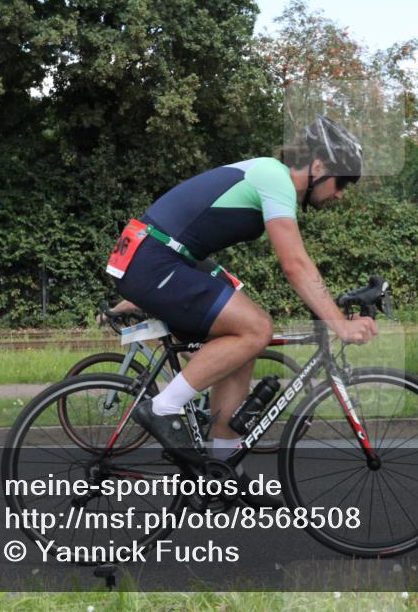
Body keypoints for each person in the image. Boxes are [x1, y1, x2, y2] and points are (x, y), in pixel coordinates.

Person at [107, 116, 378, 466]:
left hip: (158, 258)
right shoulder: (274, 177)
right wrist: (339, 324)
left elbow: (297, 268)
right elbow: (294, 264)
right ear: (317, 166)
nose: (340, 194)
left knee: (244, 346)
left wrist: (330, 308)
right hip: (155, 259)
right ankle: (163, 407)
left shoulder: (270, 179)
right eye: (341, 182)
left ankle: (222, 465)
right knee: (257, 327)